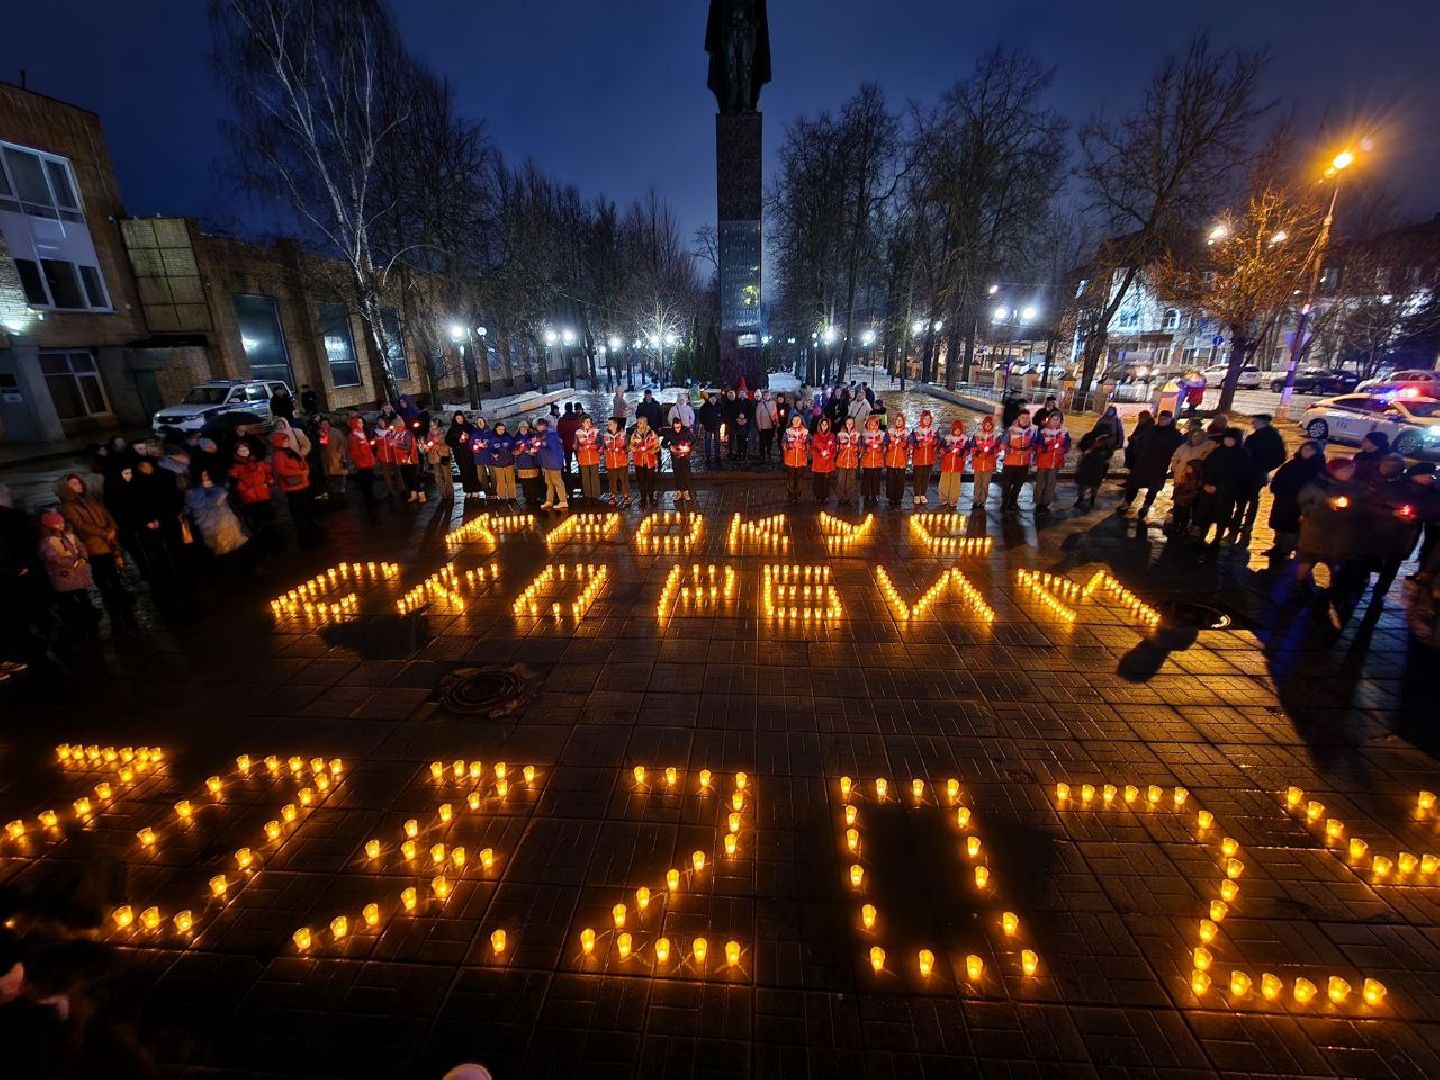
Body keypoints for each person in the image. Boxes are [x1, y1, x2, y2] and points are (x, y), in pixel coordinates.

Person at [55, 473, 132, 623]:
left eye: (79, 482)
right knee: (102, 573)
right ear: (65, 488)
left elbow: (106, 514)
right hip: (93, 545)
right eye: (73, 483)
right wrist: (104, 533)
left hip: (107, 540)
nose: (79, 485)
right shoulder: (66, 506)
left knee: (113, 570)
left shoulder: (89, 500)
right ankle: (109, 599)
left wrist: (112, 528)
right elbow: (80, 525)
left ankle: (119, 595)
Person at [1295, 459, 1359, 620]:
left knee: (1336, 562)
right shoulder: (1317, 484)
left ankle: (1333, 588)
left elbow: (1361, 505)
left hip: (1339, 534)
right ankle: (1300, 582)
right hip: (1316, 530)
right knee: (1308, 558)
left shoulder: (1354, 486)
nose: (1348, 473)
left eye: (1351, 470)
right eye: (1344, 470)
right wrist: (1324, 503)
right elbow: (1304, 502)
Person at [37, 510, 98, 631]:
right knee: (67, 597)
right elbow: (52, 557)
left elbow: (80, 546)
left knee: (82, 593)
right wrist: (72, 564)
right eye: (57, 523)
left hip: (77, 571)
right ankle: (74, 618)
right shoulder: (47, 541)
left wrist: (83, 558)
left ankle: (88, 613)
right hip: (63, 574)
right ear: (49, 526)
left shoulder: (69, 535)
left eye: (62, 522)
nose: (61, 525)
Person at [1265, 441, 1324, 562]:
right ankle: (1278, 546)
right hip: (1283, 499)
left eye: (1310, 450)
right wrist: (1276, 488)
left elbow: (1316, 486)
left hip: (1300, 503)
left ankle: (1287, 549)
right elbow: (1279, 476)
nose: (1306, 452)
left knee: (1293, 527)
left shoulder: (1317, 468)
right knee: (1280, 524)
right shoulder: (1292, 464)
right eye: (1305, 449)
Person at [1122, 410, 1183, 518]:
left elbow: (1177, 451)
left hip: (1159, 465)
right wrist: (1136, 449)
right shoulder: (1151, 430)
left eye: (1164, 419)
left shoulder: (1174, 434)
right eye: (1160, 418)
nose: (1161, 420)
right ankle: (1127, 502)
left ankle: (1146, 506)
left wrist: (1172, 464)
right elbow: (1140, 441)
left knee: (1153, 487)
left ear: (1170, 420)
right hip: (1143, 462)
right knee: (1134, 483)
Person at [1196, 428, 1250, 545]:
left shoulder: (1242, 454)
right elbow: (1207, 468)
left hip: (1226, 492)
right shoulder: (1217, 451)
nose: (1229, 441)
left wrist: (1220, 487)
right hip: (1210, 490)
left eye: (1231, 439)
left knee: (1222, 515)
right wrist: (1206, 484)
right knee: (1206, 514)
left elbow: (1239, 475)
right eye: (1227, 438)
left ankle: (1217, 538)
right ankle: (1202, 535)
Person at [272, 431, 323, 545]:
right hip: (293, 487)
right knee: (298, 510)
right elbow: (281, 470)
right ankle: (303, 534)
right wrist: (300, 472)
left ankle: (311, 529)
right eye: (285, 440)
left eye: (287, 440)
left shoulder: (290, 451)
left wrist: (305, 469)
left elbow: (301, 461)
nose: (287, 442)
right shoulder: (278, 455)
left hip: (302, 484)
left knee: (306, 507)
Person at [185, 470, 250, 559]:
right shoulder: (192, 492)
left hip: (222, 520)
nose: (205, 477)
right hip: (209, 523)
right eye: (203, 475)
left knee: (229, 541)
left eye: (207, 474)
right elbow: (188, 507)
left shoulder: (219, 488)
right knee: (220, 545)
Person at [1239, 414, 1286, 535]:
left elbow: (1279, 457)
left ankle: (1246, 524)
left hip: (1256, 473)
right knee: (1247, 498)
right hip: (1252, 472)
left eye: (1255, 421)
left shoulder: (1271, 438)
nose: (1252, 423)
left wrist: (1264, 467)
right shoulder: (1257, 436)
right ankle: (1243, 523)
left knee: (1250, 498)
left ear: (1262, 422)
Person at [228, 441, 277, 537]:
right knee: (257, 521)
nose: (244, 451)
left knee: (269, 519)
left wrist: (269, 481)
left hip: (263, 495)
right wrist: (241, 486)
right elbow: (233, 482)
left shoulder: (258, 462)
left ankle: (274, 538)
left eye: (245, 449)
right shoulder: (235, 467)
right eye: (241, 450)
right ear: (236, 452)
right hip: (249, 498)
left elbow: (268, 472)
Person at [1032, 412, 1071, 514]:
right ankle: (1038, 502)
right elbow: (1038, 446)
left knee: (1051, 483)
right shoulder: (1043, 432)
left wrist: (1062, 449)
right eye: (1053, 419)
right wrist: (1048, 448)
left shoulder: (1063, 433)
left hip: (1055, 462)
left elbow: (1067, 446)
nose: (1055, 422)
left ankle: (1045, 504)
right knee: (1040, 482)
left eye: (1057, 420)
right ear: (1049, 420)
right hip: (1043, 461)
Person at [999, 411, 1036, 512]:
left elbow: (1034, 445)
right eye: (1023, 418)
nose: (1025, 420)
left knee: (1018, 485)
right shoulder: (1010, 431)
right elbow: (1002, 445)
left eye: (1027, 418)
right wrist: (1011, 450)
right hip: (1010, 463)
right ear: (1018, 419)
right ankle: (1004, 503)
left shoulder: (1031, 432)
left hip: (1024, 464)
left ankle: (1013, 503)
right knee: (1006, 485)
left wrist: (1030, 449)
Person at [1073, 426, 1116, 510]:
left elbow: (1109, 453)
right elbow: (1081, 446)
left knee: (1094, 483)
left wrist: (1102, 453)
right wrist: (1091, 447)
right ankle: (1080, 498)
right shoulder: (1089, 437)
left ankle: (1092, 498)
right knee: (1082, 482)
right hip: (1087, 463)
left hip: (1097, 464)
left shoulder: (1107, 441)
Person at [346, 416, 378, 511]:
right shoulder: (353, 436)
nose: (361, 424)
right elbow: (354, 451)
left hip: (367, 462)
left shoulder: (361, 433)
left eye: (362, 422)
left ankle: (371, 499)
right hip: (362, 463)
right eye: (359, 422)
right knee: (366, 484)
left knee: (369, 482)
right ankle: (369, 502)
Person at [969, 416, 1000, 512]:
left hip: (988, 464)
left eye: (989, 425)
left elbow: (998, 449)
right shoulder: (977, 435)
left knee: (985, 484)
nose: (987, 426)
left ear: (992, 426)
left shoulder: (996, 436)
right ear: (983, 425)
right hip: (978, 463)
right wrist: (977, 452)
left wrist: (991, 452)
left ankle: (982, 501)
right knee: (977, 483)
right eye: (986, 424)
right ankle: (976, 500)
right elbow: (972, 447)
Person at [446, 412, 481, 498]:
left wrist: (469, 436)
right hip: (460, 454)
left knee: (472, 471)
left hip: (470, 453)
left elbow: (476, 436)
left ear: (463, 418)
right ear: (455, 419)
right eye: (457, 418)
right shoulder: (452, 429)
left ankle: (475, 489)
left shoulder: (469, 427)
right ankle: (467, 490)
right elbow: (448, 441)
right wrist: (458, 441)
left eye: (460, 418)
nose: (459, 420)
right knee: (463, 473)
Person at [535, 418, 568, 510]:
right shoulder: (543, 434)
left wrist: (539, 448)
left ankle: (563, 501)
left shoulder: (551, 434)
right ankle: (549, 500)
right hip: (546, 462)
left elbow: (552, 448)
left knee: (557, 482)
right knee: (548, 482)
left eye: (538, 425)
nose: (537, 427)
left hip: (553, 462)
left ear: (543, 425)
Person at [390, 416, 424, 503]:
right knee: (407, 478)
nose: (392, 428)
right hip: (402, 460)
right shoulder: (397, 434)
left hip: (410, 460)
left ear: (397, 425)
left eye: (393, 426)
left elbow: (408, 447)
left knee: (413, 478)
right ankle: (414, 495)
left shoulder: (407, 434)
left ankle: (421, 494)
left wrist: (396, 444)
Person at [909, 410, 939, 507]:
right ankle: (916, 494)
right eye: (925, 418)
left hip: (929, 458)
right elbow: (911, 442)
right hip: (918, 457)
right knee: (917, 477)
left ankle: (923, 494)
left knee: (926, 477)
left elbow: (939, 442)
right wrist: (920, 443)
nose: (927, 420)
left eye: (929, 419)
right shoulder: (915, 430)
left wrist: (933, 441)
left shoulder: (934, 430)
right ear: (921, 419)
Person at [935, 420, 968, 509]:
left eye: (959, 429)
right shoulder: (946, 438)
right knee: (944, 483)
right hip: (946, 464)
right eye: (955, 429)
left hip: (957, 465)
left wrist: (960, 453)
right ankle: (943, 498)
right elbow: (940, 449)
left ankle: (953, 499)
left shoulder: (964, 439)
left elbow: (966, 451)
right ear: (952, 429)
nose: (957, 431)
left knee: (955, 484)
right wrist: (948, 449)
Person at [663, 417, 696, 503]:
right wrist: (670, 446)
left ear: (681, 425)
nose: (677, 429)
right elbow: (663, 443)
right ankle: (679, 491)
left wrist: (688, 446)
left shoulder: (686, 431)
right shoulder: (670, 432)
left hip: (684, 456)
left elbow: (694, 440)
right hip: (675, 457)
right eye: (675, 427)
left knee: (685, 473)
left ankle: (686, 491)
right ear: (673, 426)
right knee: (677, 473)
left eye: (679, 427)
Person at [630, 417, 661, 507]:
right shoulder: (634, 434)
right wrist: (638, 448)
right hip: (639, 461)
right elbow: (632, 446)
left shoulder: (652, 433)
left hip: (649, 460)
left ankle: (651, 498)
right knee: (641, 480)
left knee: (651, 480)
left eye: (642, 422)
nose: (640, 424)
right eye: (639, 423)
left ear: (646, 423)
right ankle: (643, 499)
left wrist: (651, 450)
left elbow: (657, 445)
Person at [883, 412, 910, 509]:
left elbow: (909, 446)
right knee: (890, 479)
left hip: (901, 459)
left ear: (903, 422)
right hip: (891, 459)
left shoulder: (906, 433)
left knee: (900, 479)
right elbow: (885, 443)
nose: (898, 422)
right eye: (897, 420)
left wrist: (903, 445)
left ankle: (898, 497)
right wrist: (889, 445)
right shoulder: (889, 431)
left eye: (900, 420)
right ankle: (891, 497)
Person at [781, 415, 810, 505]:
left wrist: (803, 446)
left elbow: (809, 444)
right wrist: (790, 445)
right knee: (790, 477)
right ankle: (791, 495)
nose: (796, 421)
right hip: (790, 458)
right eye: (794, 420)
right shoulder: (788, 431)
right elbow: (783, 443)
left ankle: (798, 495)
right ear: (791, 421)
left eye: (798, 419)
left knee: (800, 477)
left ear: (801, 421)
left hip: (801, 458)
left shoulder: (805, 432)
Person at [373, 415, 403, 502]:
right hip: (383, 456)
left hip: (393, 455)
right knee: (387, 476)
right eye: (379, 421)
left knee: (398, 473)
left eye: (382, 421)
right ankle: (390, 492)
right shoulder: (376, 432)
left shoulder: (391, 430)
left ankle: (402, 490)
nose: (380, 422)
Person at [858, 416, 886, 508]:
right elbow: (861, 447)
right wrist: (866, 450)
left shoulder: (881, 435)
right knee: (867, 478)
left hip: (877, 460)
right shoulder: (863, 435)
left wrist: (880, 448)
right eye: (871, 424)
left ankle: (875, 495)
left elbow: (885, 448)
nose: (873, 426)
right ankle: (866, 495)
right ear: (867, 425)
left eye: (875, 424)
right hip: (867, 460)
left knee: (876, 479)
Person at [603, 418, 631, 506]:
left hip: (621, 460)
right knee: (612, 480)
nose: (609, 426)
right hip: (611, 461)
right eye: (608, 424)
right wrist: (605, 450)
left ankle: (626, 496)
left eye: (610, 424)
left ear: (616, 424)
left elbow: (628, 447)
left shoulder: (623, 435)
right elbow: (602, 448)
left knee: (624, 480)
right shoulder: (606, 436)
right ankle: (613, 495)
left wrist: (623, 449)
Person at [514, 421, 543, 506]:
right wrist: (519, 451)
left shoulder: (532, 437)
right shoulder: (516, 438)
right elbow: (513, 452)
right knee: (524, 482)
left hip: (531, 462)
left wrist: (533, 452)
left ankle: (535, 496)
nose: (523, 429)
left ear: (527, 428)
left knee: (533, 481)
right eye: (521, 427)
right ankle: (527, 497)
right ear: (519, 428)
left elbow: (538, 448)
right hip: (521, 463)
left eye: (525, 427)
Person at [575, 414, 602, 504]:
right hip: (583, 458)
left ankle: (595, 496)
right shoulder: (577, 432)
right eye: (587, 422)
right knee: (585, 477)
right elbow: (575, 445)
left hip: (594, 456)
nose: (588, 423)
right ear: (582, 423)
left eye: (589, 421)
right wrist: (580, 448)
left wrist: (596, 446)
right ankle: (587, 496)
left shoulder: (595, 431)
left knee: (594, 476)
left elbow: (600, 442)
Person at [318, 418, 348, 499]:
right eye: (322, 424)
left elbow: (342, 442)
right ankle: (334, 489)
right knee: (330, 475)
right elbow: (323, 446)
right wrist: (322, 436)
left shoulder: (336, 431)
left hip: (337, 456)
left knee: (340, 474)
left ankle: (342, 489)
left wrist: (341, 453)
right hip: (327, 458)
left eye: (326, 423)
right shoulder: (321, 433)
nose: (324, 425)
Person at [835, 415, 861, 508]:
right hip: (843, 459)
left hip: (852, 460)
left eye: (851, 423)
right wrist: (842, 447)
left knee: (851, 480)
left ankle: (849, 497)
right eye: (847, 423)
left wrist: (855, 448)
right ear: (845, 424)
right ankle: (841, 497)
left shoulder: (857, 435)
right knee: (841, 480)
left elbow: (860, 448)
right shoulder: (841, 434)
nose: (849, 425)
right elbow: (837, 447)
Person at [425, 418, 453, 500]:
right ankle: (443, 494)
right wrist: (426, 446)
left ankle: (450, 494)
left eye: (433, 424)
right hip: (434, 457)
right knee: (437, 477)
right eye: (430, 424)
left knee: (447, 476)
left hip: (443, 456)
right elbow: (428, 444)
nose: (431, 426)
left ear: (437, 424)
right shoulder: (429, 433)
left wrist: (433, 443)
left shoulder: (443, 431)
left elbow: (442, 441)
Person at [489, 421, 517, 503]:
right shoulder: (492, 439)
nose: (501, 431)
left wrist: (514, 450)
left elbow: (513, 447)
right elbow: (490, 449)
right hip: (498, 463)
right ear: (496, 429)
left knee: (510, 480)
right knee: (500, 481)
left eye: (503, 429)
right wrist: (493, 453)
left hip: (508, 462)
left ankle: (512, 497)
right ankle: (501, 497)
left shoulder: (508, 438)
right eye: (500, 429)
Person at [810, 416, 836, 503]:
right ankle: (818, 496)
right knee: (817, 481)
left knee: (826, 481)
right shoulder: (815, 436)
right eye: (822, 424)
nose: (824, 426)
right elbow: (812, 448)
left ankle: (825, 496)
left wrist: (830, 455)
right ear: (819, 425)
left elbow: (834, 448)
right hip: (818, 462)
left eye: (826, 425)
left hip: (827, 463)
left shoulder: (832, 436)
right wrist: (820, 454)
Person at [1124, 410, 1154, 477]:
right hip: (1135, 449)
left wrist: (1133, 439)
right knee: (1132, 467)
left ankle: (1132, 483)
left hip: (1139, 450)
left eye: (1140, 417)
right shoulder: (1142, 425)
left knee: (1135, 468)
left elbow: (1142, 438)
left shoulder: (1148, 427)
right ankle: (1130, 482)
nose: (1139, 419)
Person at [470, 416, 494, 498]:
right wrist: (475, 447)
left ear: (484, 422)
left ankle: (494, 491)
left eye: (481, 421)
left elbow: (494, 442)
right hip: (479, 457)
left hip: (490, 457)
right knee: (481, 476)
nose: (480, 423)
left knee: (493, 474)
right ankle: (486, 491)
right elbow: (471, 445)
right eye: (478, 421)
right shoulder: (474, 433)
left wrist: (487, 445)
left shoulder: (490, 432)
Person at [558, 403, 582, 483]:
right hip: (576, 443)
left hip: (566, 444)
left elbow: (560, 432)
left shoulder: (562, 420)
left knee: (568, 463)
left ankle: (569, 480)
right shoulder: (577, 419)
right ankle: (581, 478)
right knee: (579, 462)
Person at [698, 391, 723, 467]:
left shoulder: (719, 406)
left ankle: (717, 456)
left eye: (714, 398)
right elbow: (701, 416)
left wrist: (720, 423)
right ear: (709, 399)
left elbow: (723, 415)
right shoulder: (705, 406)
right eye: (711, 398)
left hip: (716, 427)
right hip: (708, 427)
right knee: (708, 442)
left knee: (717, 442)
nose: (713, 400)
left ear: (715, 399)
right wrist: (704, 423)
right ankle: (708, 456)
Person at [755, 390, 778, 463]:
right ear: (763, 396)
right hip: (763, 427)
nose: (767, 396)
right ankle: (762, 455)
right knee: (763, 442)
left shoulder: (773, 403)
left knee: (769, 441)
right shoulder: (760, 404)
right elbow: (758, 416)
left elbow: (775, 414)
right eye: (765, 395)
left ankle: (768, 453)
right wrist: (759, 426)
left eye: (768, 395)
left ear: (769, 395)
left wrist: (777, 422)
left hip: (771, 426)